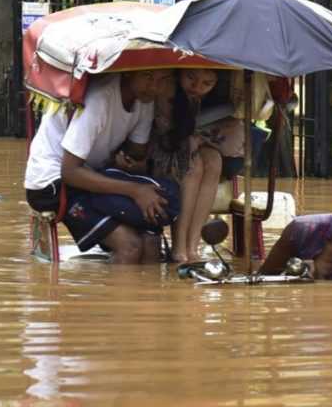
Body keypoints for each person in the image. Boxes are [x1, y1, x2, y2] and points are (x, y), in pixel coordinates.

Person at [24, 69, 175, 264]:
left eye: (162, 79)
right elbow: (69, 172)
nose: (155, 87)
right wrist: (136, 191)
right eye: (148, 77)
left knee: (150, 241)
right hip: (53, 182)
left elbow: (137, 153)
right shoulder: (99, 99)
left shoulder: (145, 100)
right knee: (130, 246)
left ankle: (140, 293)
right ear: (128, 73)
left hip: (91, 176)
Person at [149, 68, 225, 262]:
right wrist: (187, 140)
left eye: (207, 84)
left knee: (214, 160)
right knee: (194, 165)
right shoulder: (168, 87)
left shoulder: (207, 99)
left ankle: (193, 246)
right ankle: (179, 247)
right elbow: (163, 133)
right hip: (159, 152)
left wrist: (197, 138)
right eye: (191, 78)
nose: (197, 87)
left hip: (187, 148)